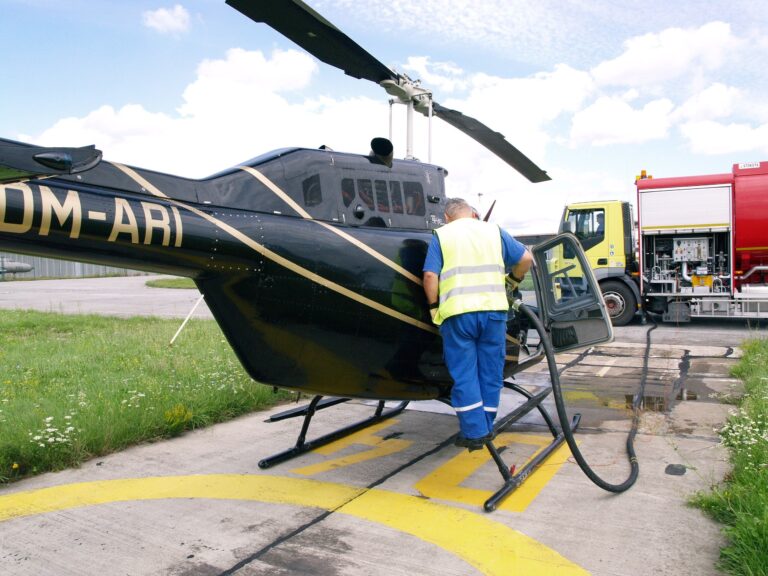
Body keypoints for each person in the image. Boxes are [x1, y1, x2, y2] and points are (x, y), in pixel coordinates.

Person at [422, 198, 533, 451]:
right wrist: (513, 282)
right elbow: (526, 258)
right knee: (491, 372)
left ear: (447, 217)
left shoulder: (442, 235)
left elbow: (430, 276)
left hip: (458, 315)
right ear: (473, 214)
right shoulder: (493, 231)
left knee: (465, 374)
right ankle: (487, 424)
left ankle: (475, 432)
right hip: (493, 312)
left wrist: (433, 308)